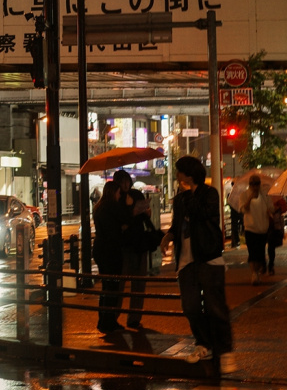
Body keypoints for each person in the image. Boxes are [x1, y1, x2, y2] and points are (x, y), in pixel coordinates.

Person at [168, 156, 233, 369]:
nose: (177, 176)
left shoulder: (209, 194)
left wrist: (191, 190)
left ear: (189, 174)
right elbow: (179, 224)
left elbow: (200, 213)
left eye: (179, 172)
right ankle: (204, 344)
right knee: (190, 307)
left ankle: (224, 350)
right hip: (186, 262)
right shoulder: (180, 199)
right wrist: (167, 236)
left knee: (216, 307)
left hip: (208, 257)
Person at [92, 170, 132, 337]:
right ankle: (108, 322)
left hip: (100, 249)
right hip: (111, 251)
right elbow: (125, 221)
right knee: (112, 287)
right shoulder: (112, 207)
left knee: (106, 287)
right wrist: (129, 205)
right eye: (118, 192)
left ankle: (104, 321)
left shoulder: (99, 207)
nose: (119, 195)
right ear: (113, 192)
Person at [121, 187, 164, 330]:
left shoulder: (136, 209)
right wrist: (130, 212)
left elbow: (147, 225)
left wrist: (145, 214)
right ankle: (129, 318)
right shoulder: (122, 206)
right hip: (129, 248)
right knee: (128, 284)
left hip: (136, 247)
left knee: (137, 285)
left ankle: (133, 318)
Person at [242, 174, 273, 283]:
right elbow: (243, 209)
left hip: (263, 228)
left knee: (260, 253)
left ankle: (258, 271)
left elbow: (271, 208)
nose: (254, 186)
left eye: (257, 183)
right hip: (250, 228)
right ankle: (254, 274)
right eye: (252, 184)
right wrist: (250, 197)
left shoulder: (265, 195)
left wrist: (270, 212)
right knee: (252, 252)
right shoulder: (245, 195)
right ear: (249, 185)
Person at [267, 193, 287, 274]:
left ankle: (270, 265)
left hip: (273, 226)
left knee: (271, 247)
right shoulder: (262, 198)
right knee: (267, 247)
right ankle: (266, 264)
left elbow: (284, 208)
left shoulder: (277, 197)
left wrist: (277, 208)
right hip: (263, 224)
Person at [226, 180, 245, 248]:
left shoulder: (230, 194)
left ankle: (236, 241)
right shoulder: (240, 194)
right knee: (242, 225)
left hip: (235, 212)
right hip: (239, 212)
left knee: (235, 227)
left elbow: (229, 202)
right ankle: (238, 240)